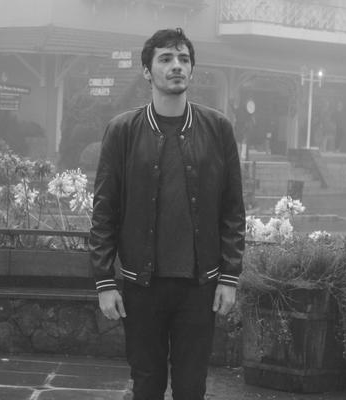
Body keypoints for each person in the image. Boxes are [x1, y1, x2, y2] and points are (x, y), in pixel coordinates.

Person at [89, 28, 245, 400]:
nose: (176, 66)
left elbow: (233, 208)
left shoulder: (218, 128)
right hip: (142, 285)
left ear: (192, 69)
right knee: (147, 383)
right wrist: (104, 281)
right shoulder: (123, 131)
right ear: (147, 71)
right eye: (166, 58)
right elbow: (105, 210)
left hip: (200, 285)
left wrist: (229, 276)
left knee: (192, 387)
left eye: (183, 59)